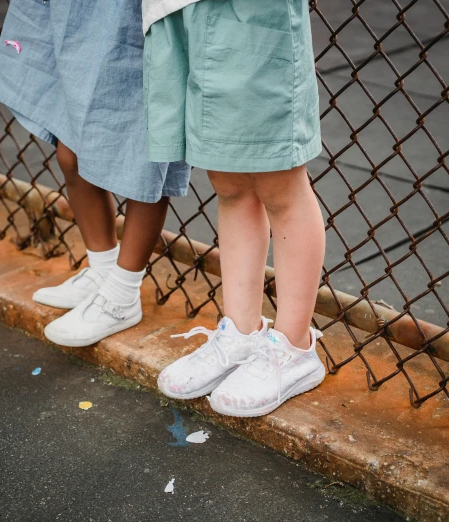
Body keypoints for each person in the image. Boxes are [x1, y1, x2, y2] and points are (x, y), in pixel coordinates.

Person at [144, 0, 328, 417]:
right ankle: (242, 332)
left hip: (249, 12)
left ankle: (295, 347)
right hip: (178, 9)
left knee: (279, 180)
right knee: (227, 181)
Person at [0, 0, 190, 347]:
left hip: (138, 14)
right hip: (82, 15)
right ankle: (102, 271)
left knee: (146, 154)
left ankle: (122, 294)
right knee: (71, 151)